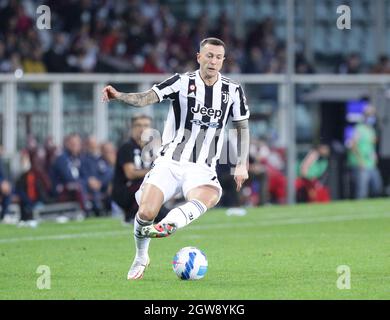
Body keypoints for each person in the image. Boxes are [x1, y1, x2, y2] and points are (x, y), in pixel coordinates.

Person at [102, 37, 250, 280]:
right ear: (199, 57)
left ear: (223, 61)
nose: (213, 61)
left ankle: (171, 224)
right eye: (209, 55)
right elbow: (148, 97)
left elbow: (242, 126)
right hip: (170, 161)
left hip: (202, 166)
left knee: (209, 195)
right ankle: (141, 256)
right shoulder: (182, 82)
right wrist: (119, 95)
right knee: (146, 213)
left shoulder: (232, 90)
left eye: (218, 57)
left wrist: (241, 163)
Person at [112, 114, 168, 225]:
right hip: (126, 190)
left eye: (146, 125)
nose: (142, 129)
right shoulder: (127, 148)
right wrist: (153, 171)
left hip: (143, 189)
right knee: (145, 186)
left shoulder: (153, 149)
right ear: (132, 128)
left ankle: (143, 214)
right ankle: (131, 216)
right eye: (138, 125)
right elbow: (130, 174)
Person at [347, 105, 383, 199]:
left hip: (371, 163)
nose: (371, 117)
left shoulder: (371, 130)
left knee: (377, 187)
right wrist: (360, 161)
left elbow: (371, 146)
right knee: (362, 191)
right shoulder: (359, 128)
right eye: (369, 115)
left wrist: (374, 155)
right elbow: (353, 145)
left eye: (373, 115)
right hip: (361, 164)